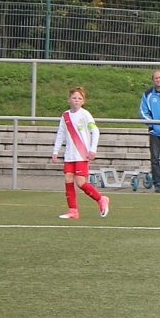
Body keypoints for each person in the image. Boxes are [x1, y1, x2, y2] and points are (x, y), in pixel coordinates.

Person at [51, 87, 109, 220]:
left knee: (80, 182)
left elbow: (95, 131)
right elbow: (61, 133)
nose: (76, 100)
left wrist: (92, 149)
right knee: (68, 179)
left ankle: (101, 199)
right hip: (69, 154)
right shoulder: (65, 116)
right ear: (69, 100)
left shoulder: (85, 115)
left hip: (81, 154)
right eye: (74, 98)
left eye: (79, 98)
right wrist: (55, 150)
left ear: (83, 101)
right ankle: (73, 210)